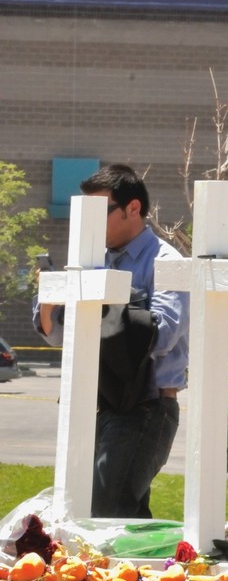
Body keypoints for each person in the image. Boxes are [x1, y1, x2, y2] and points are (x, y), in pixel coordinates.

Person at [34, 164, 189, 518]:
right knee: (93, 509)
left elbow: (161, 335)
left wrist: (106, 299)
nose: (89, 226)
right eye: (82, 215)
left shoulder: (165, 262)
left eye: (98, 213)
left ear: (132, 208)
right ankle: (142, 574)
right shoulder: (89, 259)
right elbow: (55, 333)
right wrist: (49, 300)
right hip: (90, 403)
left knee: (108, 509)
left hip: (144, 406)